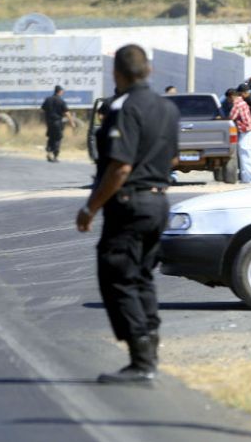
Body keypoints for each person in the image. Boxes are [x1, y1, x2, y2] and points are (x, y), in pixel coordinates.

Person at [76, 44, 179, 384]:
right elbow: (174, 160)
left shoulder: (125, 109)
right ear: (149, 70)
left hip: (130, 203)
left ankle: (141, 360)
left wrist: (90, 207)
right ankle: (150, 348)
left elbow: (120, 167)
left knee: (117, 275)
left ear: (117, 74)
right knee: (142, 276)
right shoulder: (168, 108)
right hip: (159, 201)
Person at [229, 90, 251, 184]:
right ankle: (248, 177)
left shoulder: (237, 104)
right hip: (248, 131)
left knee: (246, 154)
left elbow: (231, 117)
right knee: (245, 154)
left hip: (246, 132)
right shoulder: (243, 102)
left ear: (231, 96)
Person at [41, 85, 75, 162]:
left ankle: (49, 152)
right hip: (57, 122)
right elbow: (67, 113)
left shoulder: (48, 99)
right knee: (57, 138)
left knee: (51, 137)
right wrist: (72, 122)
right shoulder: (61, 101)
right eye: (62, 91)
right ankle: (55, 156)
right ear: (59, 91)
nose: (63, 92)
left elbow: (43, 109)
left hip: (49, 122)